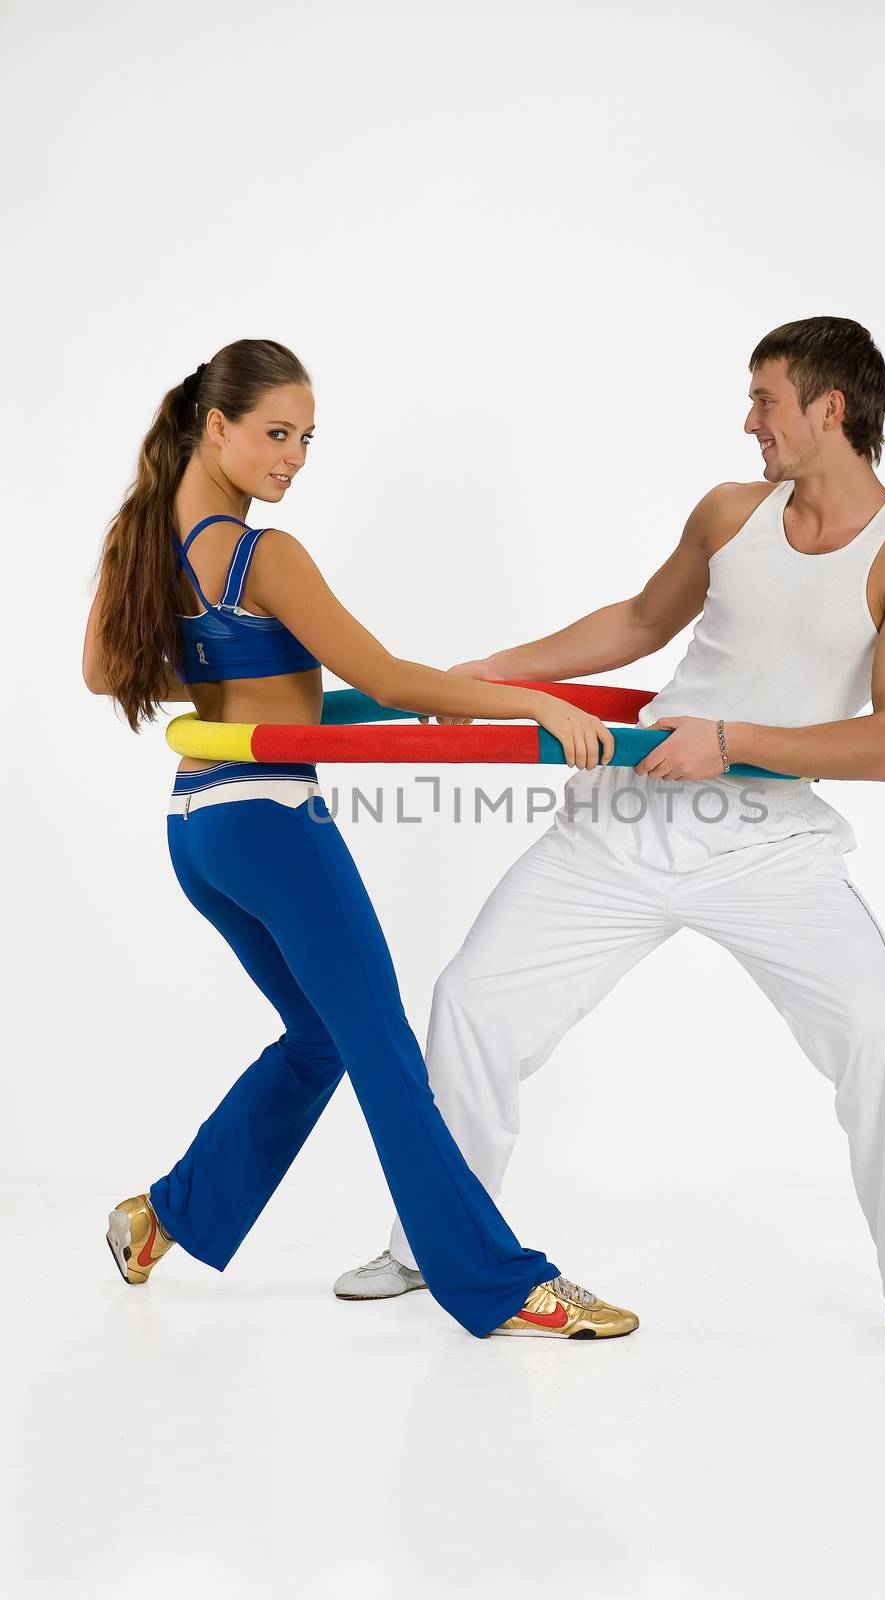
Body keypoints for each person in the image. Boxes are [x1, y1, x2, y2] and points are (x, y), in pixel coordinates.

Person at [334, 316, 885, 1365]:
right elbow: (640, 621)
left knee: (874, 1032)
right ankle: (431, 1242)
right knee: (471, 1001)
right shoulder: (731, 512)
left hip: (766, 842)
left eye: (764, 401)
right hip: (627, 825)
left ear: (830, 407)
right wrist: (488, 678)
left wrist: (726, 741)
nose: (747, 422)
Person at [81, 337, 638, 1341]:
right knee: (382, 1050)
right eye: (274, 432)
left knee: (323, 1038)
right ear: (215, 426)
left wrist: (245, 692)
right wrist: (531, 704)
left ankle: (164, 1214)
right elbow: (387, 682)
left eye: (305, 438)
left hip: (197, 825)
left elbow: (104, 672)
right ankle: (500, 1282)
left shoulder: (150, 536)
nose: (293, 455)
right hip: (268, 815)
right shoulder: (265, 554)